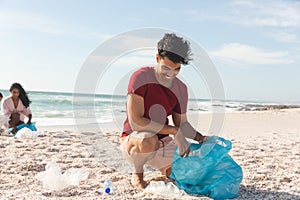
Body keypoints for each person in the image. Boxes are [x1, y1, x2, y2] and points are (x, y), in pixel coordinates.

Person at [120, 33, 209, 189]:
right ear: (157, 59)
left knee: (188, 176)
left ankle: (165, 168)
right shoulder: (141, 77)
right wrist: (174, 131)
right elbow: (136, 122)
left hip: (162, 144)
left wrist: (201, 138)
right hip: (136, 142)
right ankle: (137, 174)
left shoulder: (181, 88)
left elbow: (183, 124)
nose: (170, 74)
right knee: (148, 139)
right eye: (166, 68)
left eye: (177, 69)